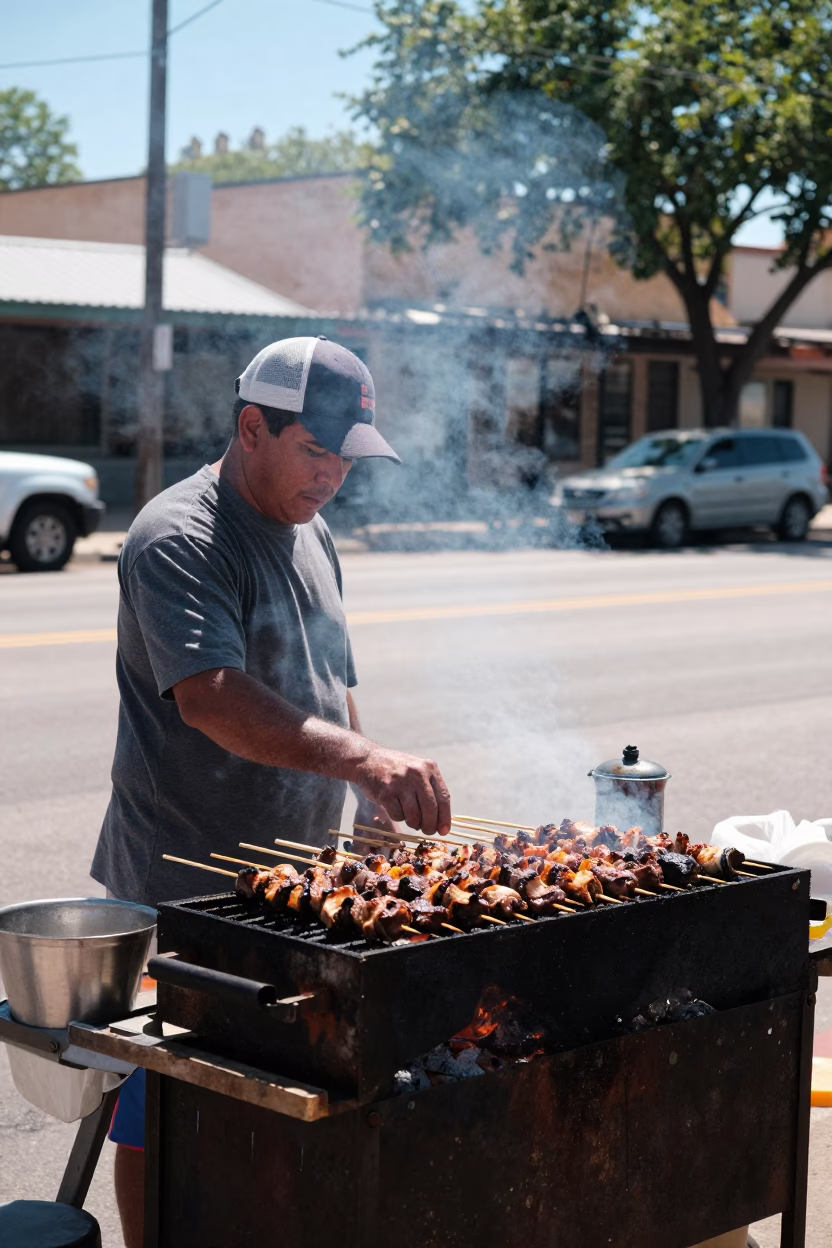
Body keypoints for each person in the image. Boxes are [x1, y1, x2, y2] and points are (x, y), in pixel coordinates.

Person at [91, 335, 452, 1247]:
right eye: (316, 451)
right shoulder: (180, 536)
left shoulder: (312, 528)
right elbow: (212, 698)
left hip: (286, 883)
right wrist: (363, 764)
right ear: (253, 427)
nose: (333, 477)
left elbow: (331, 681)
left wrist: (368, 786)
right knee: (164, 1106)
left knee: (272, 1103)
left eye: (346, 459)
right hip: (182, 883)